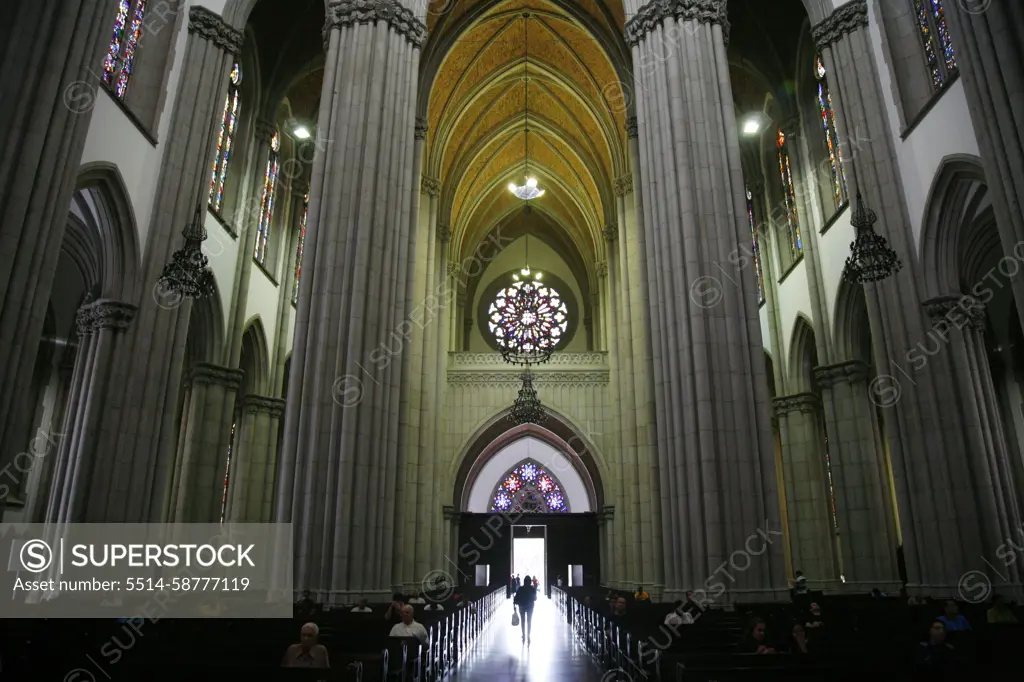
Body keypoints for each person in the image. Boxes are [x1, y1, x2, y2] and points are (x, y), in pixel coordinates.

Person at [514, 574, 538, 643]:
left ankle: (523, 634)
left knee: (523, 621)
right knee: (529, 621)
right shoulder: (533, 589)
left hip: (521, 606)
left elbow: (516, 597)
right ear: (530, 581)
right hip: (530, 606)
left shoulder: (520, 588)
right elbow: (535, 598)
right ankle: (528, 635)